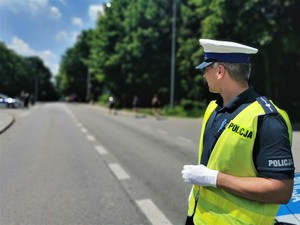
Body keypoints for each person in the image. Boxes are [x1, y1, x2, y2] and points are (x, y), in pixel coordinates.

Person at [181, 39, 295, 225]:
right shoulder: (214, 108)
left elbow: (281, 191)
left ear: (219, 71)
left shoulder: (266, 119)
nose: (203, 75)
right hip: (198, 217)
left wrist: (213, 178)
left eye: (206, 69)